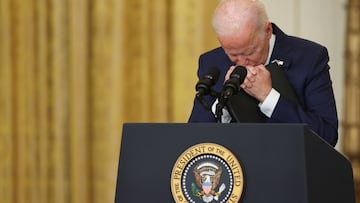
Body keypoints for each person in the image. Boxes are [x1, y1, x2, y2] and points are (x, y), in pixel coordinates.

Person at [188, 0, 338, 146]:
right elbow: (194, 137)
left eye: (250, 52)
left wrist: (269, 97)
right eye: (232, 54)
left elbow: (327, 136)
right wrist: (225, 103)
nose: (241, 62)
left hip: (291, 166)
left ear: (267, 31)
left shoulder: (309, 57)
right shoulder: (212, 62)